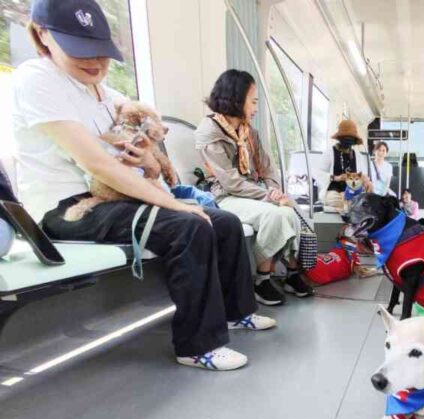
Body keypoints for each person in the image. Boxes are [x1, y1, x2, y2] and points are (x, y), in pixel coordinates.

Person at [13, 0, 275, 372]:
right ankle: (197, 345)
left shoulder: (104, 92)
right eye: (81, 52)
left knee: (225, 222)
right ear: (42, 37)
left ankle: (236, 312)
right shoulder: (36, 79)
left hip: (117, 199)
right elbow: (96, 162)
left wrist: (149, 161)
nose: (96, 64)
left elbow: (147, 155)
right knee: (190, 223)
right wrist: (175, 205)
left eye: (102, 53)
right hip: (68, 208)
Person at [196, 69, 314, 306]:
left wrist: (274, 190)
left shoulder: (250, 132)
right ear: (236, 99)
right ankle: (262, 279)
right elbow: (230, 182)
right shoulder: (209, 132)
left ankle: (291, 273)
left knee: (290, 210)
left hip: (253, 192)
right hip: (225, 196)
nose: (255, 108)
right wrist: (269, 196)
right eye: (253, 101)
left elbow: (268, 169)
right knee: (276, 213)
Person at [319, 119, 371, 212]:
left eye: (351, 139)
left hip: (353, 191)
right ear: (340, 138)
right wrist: (336, 178)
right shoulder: (330, 152)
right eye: (345, 138)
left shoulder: (357, 155)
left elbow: (363, 175)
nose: (348, 141)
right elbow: (319, 173)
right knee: (341, 201)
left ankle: (349, 205)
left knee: (358, 200)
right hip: (334, 191)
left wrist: (366, 181)